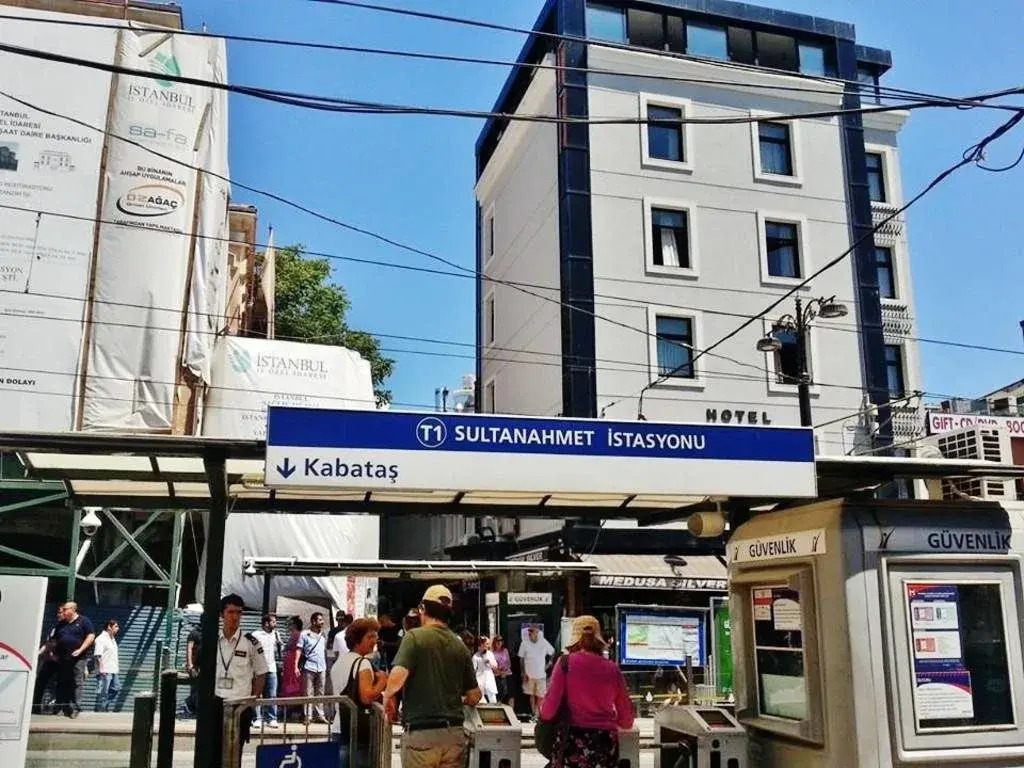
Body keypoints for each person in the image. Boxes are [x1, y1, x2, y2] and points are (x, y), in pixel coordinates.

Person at [383, 585, 481, 768]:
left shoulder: (414, 637)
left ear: (423, 608)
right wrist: (457, 699)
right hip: (454, 735)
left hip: (421, 734)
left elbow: (397, 677)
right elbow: (475, 695)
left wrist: (388, 698)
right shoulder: (459, 646)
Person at [540, 616, 634, 768]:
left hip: (572, 742)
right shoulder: (612, 669)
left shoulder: (565, 663)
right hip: (604, 746)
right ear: (598, 638)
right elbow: (627, 721)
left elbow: (547, 712)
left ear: (575, 638)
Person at [212, 594, 269, 765]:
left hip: (240, 706)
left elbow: (261, 673)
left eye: (239, 612)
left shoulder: (251, 643)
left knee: (235, 754)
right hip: (217, 704)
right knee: (214, 753)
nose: (235, 616)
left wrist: (252, 700)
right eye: (230, 612)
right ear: (222, 614)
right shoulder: (213, 640)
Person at [330, 618, 388, 768]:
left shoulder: (339, 663)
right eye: (370, 637)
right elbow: (367, 697)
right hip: (357, 734)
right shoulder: (363, 664)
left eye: (375, 636)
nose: (374, 641)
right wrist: (382, 681)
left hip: (338, 729)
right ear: (357, 640)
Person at [52, 602, 95, 718]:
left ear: (73, 610)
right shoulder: (61, 624)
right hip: (63, 658)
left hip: (78, 658)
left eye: (65, 609)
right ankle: (60, 707)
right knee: (62, 682)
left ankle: (75, 708)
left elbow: (91, 636)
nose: (63, 612)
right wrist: (52, 653)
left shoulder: (83, 621)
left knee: (76, 682)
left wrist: (80, 649)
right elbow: (54, 640)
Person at [251, 614, 283, 729]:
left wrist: (280, 645)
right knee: (257, 694)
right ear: (266, 623)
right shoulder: (256, 635)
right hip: (259, 668)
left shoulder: (276, 634)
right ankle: (257, 718)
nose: (276, 624)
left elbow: (279, 651)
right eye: (273, 622)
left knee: (272, 694)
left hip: (271, 668)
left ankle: (272, 718)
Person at [33, 605, 66, 714]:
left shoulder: (70, 628)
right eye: (58, 612)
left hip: (62, 661)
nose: (58, 615)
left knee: (62, 684)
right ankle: (35, 707)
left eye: (61, 612)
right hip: (50, 660)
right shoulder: (55, 628)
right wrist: (38, 654)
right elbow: (48, 643)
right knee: (40, 682)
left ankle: (58, 709)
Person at [298, 611, 329, 724]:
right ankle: (308, 716)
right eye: (320, 620)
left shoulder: (323, 635)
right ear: (313, 621)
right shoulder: (305, 634)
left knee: (320, 692)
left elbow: (324, 651)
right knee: (308, 692)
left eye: (322, 620)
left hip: (321, 667)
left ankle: (320, 715)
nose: (322, 622)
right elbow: (299, 650)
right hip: (309, 667)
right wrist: (296, 666)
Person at [519, 624, 554, 720]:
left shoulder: (543, 642)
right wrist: (523, 672)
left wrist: (549, 663)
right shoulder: (524, 643)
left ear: (537, 633)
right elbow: (521, 659)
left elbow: (552, 652)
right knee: (531, 695)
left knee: (540, 696)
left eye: (532, 631)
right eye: (529, 631)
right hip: (529, 675)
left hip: (541, 675)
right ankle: (534, 713)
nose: (530, 633)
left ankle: (539, 713)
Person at [93, 620, 121, 712]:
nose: (118, 629)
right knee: (103, 691)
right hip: (105, 670)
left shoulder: (112, 639)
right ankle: (101, 710)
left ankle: (103, 706)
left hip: (113, 669)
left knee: (116, 688)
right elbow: (98, 655)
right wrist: (101, 668)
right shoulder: (101, 639)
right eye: (116, 626)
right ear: (109, 627)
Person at [280, 617, 304, 711]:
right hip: (290, 662)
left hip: (292, 663)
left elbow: (288, 646)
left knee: (292, 682)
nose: (288, 626)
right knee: (292, 682)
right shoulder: (297, 634)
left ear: (294, 625)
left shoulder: (296, 634)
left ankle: (292, 705)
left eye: (290, 624)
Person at [182, 618, 203, 717]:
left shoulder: (210, 632)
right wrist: (190, 665)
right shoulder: (194, 633)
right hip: (196, 666)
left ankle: (194, 707)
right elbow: (189, 648)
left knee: (200, 689)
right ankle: (191, 705)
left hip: (206, 666)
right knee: (196, 687)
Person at [472, 637, 499, 704]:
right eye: (487, 644)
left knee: (492, 698)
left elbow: (495, 666)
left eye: (488, 644)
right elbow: (473, 669)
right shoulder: (475, 656)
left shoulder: (490, 654)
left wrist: (489, 662)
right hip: (480, 678)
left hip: (489, 677)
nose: (488, 645)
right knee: (481, 699)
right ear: (481, 644)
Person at [490, 636, 513, 705]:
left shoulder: (505, 650)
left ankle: (510, 708)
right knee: (499, 692)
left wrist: (504, 670)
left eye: (501, 641)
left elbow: (509, 663)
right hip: (497, 674)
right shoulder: (491, 652)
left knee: (510, 693)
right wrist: (499, 671)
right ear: (494, 642)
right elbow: (492, 665)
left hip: (507, 673)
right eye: (497, 641)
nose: (499, 642)